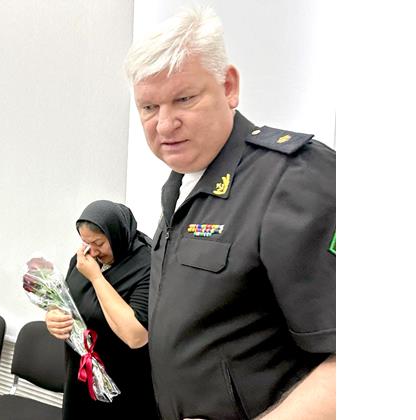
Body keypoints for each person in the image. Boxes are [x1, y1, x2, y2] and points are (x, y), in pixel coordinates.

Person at [124, 6, 335, 420]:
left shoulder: (291, 178)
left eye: (184, 98)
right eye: (148, 107)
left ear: (229, 87)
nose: (164, 125)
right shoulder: (182, 185)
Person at [45, 200, 159, 419]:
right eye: (86, 242)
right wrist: (53, 316)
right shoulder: (83, 259)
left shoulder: (148, 265)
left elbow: (136, 335)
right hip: (81, 376)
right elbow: (65, 302)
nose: (93, 251)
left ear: (117, 235)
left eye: (99, 243)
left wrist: (96, 277)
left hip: (125, 384)